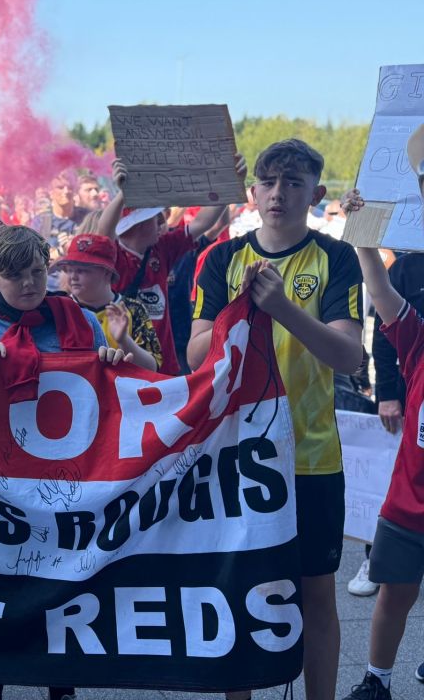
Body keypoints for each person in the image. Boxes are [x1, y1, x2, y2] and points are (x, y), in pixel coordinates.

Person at [187, 139, 363, 700]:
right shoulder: (220, 259)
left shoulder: (335, 259)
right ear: (252, 191)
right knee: (241, 591)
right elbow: (194, 356)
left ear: (317, 192)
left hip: (311, 459)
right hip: (239, 458)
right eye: (269, 182)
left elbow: (348, 356)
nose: (279, 193)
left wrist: (282, 307)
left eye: (293, 182)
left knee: (316, 596)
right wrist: (239, 314)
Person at [0, 224, 125, 700]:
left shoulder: (78, 317)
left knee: (61, 587)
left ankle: (63, 687)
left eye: (38, 271)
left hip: (63, 482)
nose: (31, 284)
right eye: (17, 277)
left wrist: (110, 361)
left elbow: (110, 388)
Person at [340, 180, 424, 700]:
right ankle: (378, 679)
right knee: (394, 591)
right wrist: (365, 237)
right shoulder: (417, 341)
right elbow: (381, 292)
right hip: (408, 503)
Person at [97, 154, 246, 375]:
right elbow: (103, 234)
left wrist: (227, 183)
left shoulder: (162, 248)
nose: (162, 222)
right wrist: (122, 194)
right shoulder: (115, 255)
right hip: (127, 364)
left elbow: (203, 223)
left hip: (166, 365)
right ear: (133, 226)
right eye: (154, 217)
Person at [54, 233, 160, 371]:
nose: (73, 276)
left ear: (107, 273)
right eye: (69, 270)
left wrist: (123, 340)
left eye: (82, 270)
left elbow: (153, 368)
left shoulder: (132, 308)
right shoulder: (61, 309)